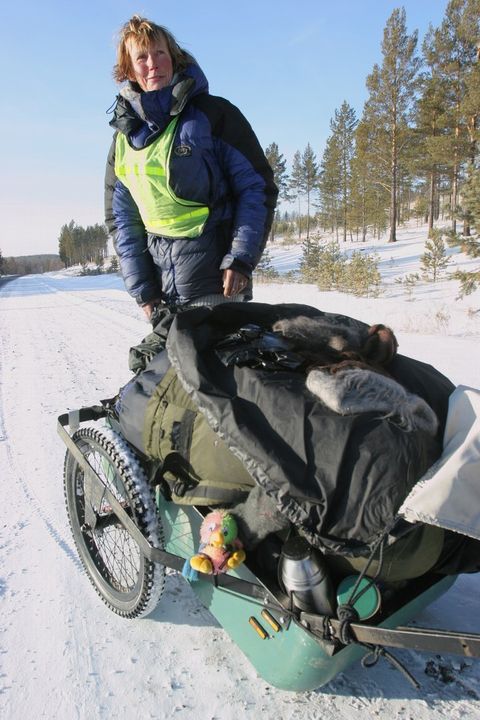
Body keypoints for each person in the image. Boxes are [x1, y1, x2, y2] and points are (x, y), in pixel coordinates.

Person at [105, 16, 278, 320]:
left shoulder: (214, 115)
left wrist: (240, 259)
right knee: (166, 367)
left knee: (216, 367)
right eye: (141, 57)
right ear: (130, 70)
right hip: (162, 295)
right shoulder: (123, 140)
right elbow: (123, 221)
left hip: (217, 286)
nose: (153, 64)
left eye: (160, 53)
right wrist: (143, 290)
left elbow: (256, 187)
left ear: (174, 58)